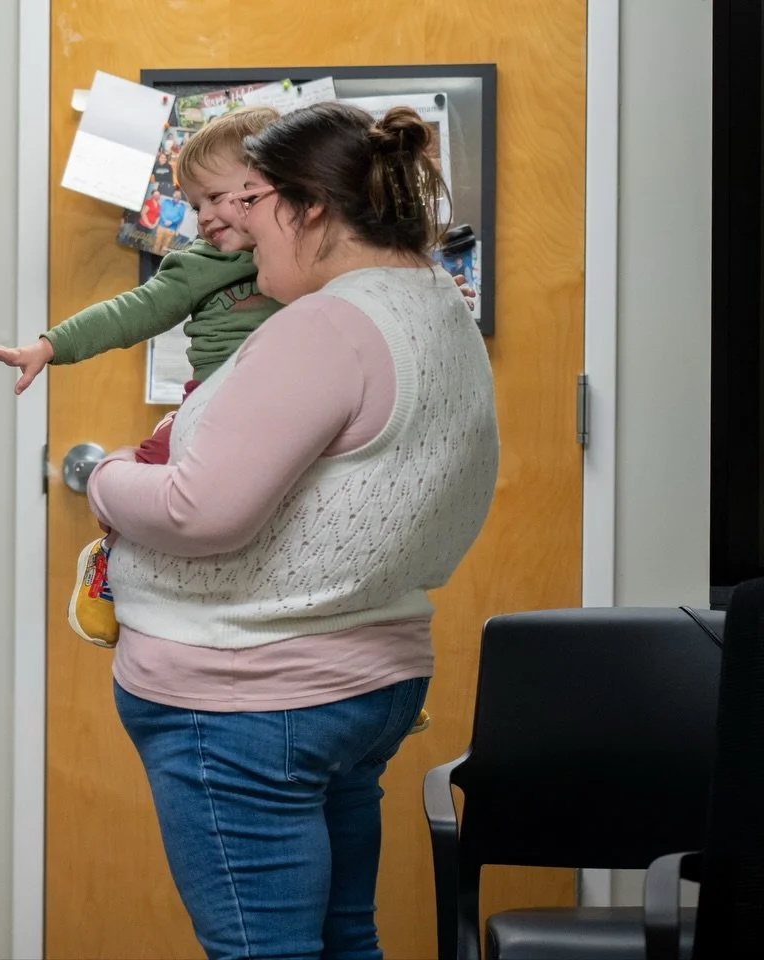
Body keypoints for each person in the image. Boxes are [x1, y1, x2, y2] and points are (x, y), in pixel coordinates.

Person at [86, 101, 499, 960]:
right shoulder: (434, 302)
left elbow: (200, 512)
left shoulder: (325, 326)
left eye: (253, 202)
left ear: (308, 207)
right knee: (346, 937)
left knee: (263, 951)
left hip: (249, 694)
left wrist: (102, 475)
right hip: (366, 677)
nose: (232, 223)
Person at [0, 106, 285, 647]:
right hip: (210, 406)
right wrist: (50, 345)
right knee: (154, 462)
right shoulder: (201, 264)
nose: (204, 217)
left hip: (284, 414)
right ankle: (108, 559)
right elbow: (130, 312)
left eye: (217, 197)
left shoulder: (310, 255)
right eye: (194, 205)